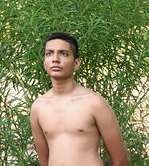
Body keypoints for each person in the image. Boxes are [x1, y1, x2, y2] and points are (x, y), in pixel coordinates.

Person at [30, 32, 129, 166]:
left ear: (76, 63)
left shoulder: (94, 103)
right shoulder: (38, 107)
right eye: (49, 53)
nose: (55, 59)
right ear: (44, 63)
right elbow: (44, 162)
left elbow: (121, 161)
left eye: (63, 53)